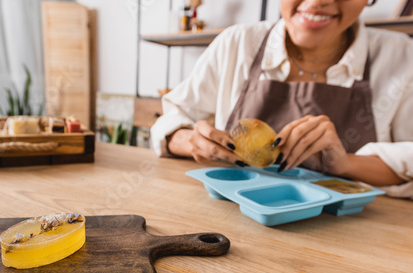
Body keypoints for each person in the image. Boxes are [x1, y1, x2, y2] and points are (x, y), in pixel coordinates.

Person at [150, 0, 413, 199]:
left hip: (356, 240)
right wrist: (191, 140)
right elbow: (171, 120)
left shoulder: (403, 58)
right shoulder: (236, 43)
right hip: (234, 220)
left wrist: (345, 164)